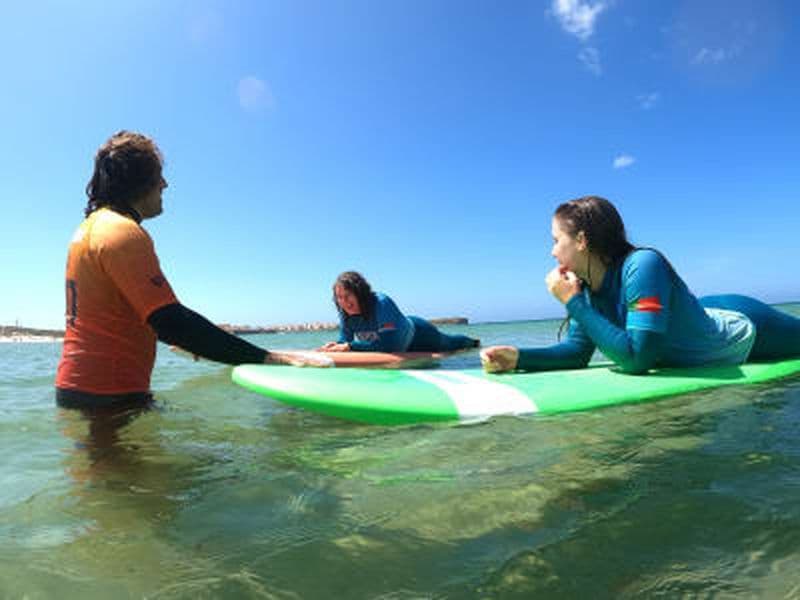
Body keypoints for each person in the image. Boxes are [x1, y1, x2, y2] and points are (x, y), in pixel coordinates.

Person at [56, 130, 318, 409]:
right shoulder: (122, 233)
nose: (165, 184)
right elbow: (172, 322)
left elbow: (120, 314)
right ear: (139, 179)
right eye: (159, 176)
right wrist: (270, 358)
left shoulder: (91, 229)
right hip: (108, 398)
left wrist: (195, 338)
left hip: (86, 391)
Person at [481, 195, 800, 374]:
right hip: (690, 312)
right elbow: (577, 352)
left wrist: (572, 303)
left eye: (555, 240)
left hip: (743, 329)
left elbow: (639, 359)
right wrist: (519, 357)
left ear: (580, 240)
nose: (551, 251)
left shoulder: (643, 265)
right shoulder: (586, 287)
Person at [318, 271, 479, 353]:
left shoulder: (381, 303)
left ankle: (474, 343)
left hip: (420, 334)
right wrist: (335, 346)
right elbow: (344, 341)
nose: (344, 302)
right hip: (401, 348)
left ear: (359, 292)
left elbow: (389, 345)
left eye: (348, 296)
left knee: (449, 343)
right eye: (339, 297)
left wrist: (350, 347)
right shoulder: (346, 314)